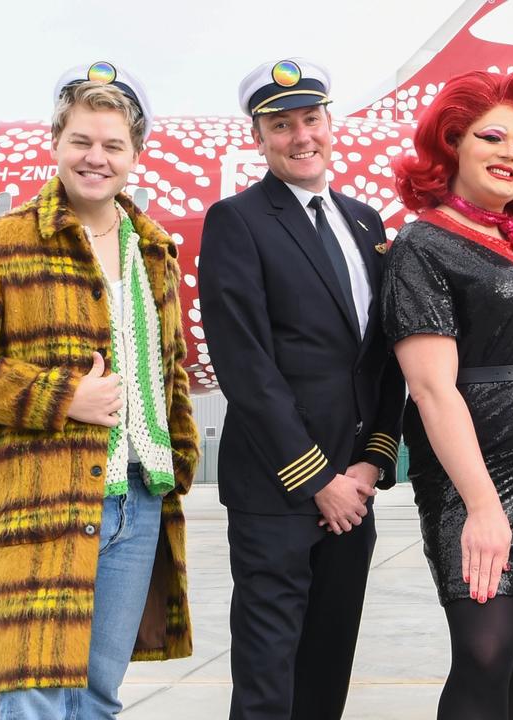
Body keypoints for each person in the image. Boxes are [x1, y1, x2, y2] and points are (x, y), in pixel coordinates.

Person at [0, 62, 199, 719]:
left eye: (112, 145)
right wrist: (59, 398)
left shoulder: (154, 251)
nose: (95, 158)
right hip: (43, 501)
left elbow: (171, 370)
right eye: (81, 141)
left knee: (99, 695)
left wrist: (177, 457)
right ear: (56, 143)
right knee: (39, 694)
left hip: (137, 498)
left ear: (135, 155)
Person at [198, 57, 405, 720]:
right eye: (280, 125)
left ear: (328, 122)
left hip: (355, 488)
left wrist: (373, 461)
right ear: (259, 138)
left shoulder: (366, 223)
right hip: (280, 491)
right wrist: (319, 478)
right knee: (268, 685)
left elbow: (384, 358)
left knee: (325, 675)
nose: (299, 136)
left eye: (309, 119)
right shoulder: (237, 220)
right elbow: (246, 365)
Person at [380, 69, 513, 720]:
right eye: (491, 137)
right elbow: (432, 389)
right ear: (452, 144)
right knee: (485, 651)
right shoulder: (423, 242)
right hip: (476, 471)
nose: (509, 154)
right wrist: (481, 505)